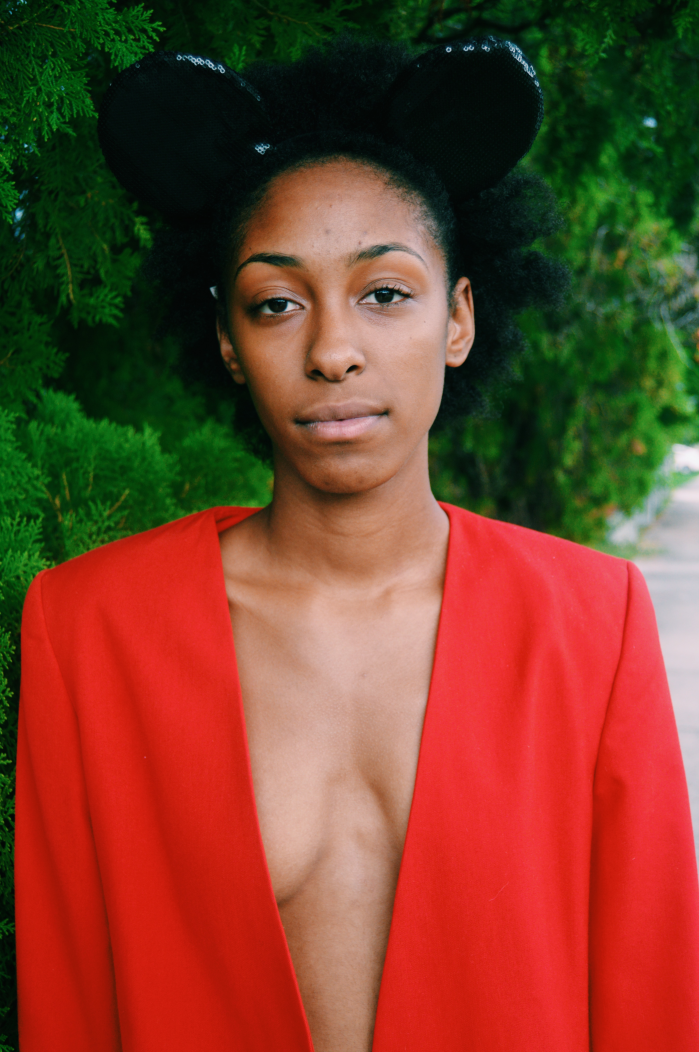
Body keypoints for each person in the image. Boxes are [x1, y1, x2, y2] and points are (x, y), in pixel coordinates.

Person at [15, 36, 699, 1052]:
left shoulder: (594, 623)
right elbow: (67, 1002)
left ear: (458, 319)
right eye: (276, 303)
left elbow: (653, 1001)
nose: (333, 350)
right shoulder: (90, 629)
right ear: (227, 342)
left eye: (385, 292)